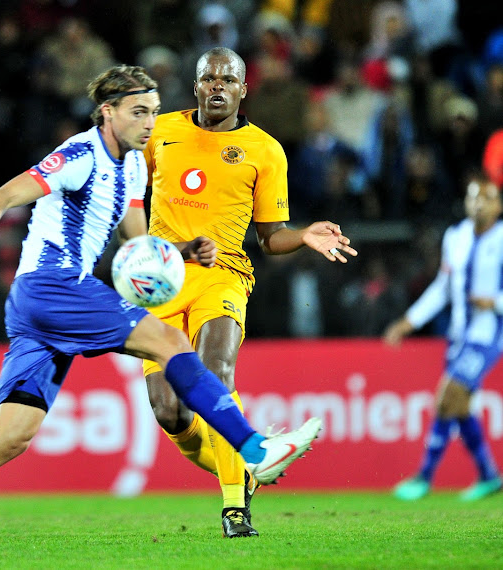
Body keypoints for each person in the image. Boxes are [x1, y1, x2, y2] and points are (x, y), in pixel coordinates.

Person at [0, 64, 323, 547]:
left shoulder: (137, 164)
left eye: (155, 112)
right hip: (53, 286)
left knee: (12, 435)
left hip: (37, 310)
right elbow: (5, 194)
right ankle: (255, 449)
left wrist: (179, 253)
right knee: (169, 341)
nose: (150, 123)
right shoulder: (80, 153)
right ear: (108, 112)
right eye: (139, 112)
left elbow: (137, 243)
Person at [142, 47, 358, 539]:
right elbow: (129, 200)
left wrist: (302, 236)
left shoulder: (265, 150)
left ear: (243, 88)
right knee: (169, 411)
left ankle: (234, 507)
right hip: (160, 281)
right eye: (208, 77)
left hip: (223, 276)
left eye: (228, 78)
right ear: (195, 86)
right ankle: (244, 469)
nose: (217, 85)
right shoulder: (160, 133)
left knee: (214, 372)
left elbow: (269, 237)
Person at [386, 172, 503, 501]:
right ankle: (489, 475)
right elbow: (443, 288)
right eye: (473, 197)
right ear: (465, 202)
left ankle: (424, 477)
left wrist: (494, 302)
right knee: (460, 405)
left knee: (445, 398)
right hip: (459, 333)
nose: (479, 204)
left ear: (498, 205)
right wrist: (409, 321)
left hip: (488, 332)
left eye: (487, 198)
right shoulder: (456, 236)